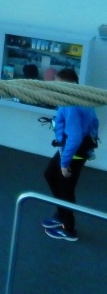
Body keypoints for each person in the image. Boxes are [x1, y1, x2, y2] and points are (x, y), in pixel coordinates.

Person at [42, 67, 100, 241]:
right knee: (50, 175)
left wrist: (65, 163)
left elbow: (75, 137)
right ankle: (62, 213)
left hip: (74, 152)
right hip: (71, 148)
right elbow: (91, 123)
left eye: (58, 84)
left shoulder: (72, 104)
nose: (56, 87)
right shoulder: (74, 98)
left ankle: (69, 229)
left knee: (66, 188)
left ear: (71, 84)